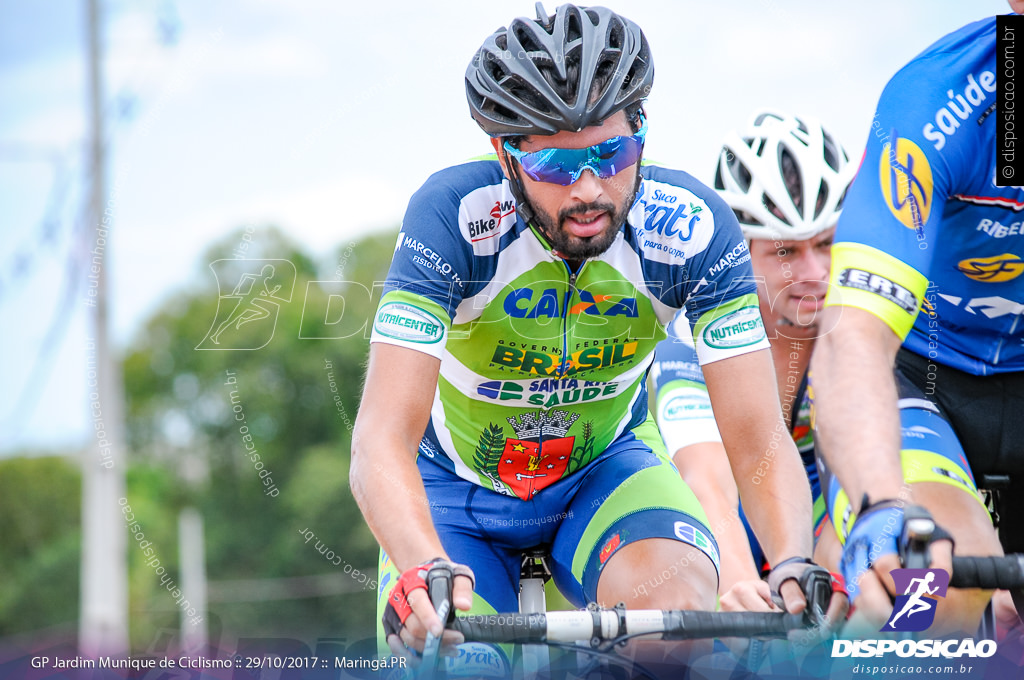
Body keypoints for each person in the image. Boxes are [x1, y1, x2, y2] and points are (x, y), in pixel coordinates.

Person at [350, 4, 837, 669]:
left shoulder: (692, 228)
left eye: (612, 154)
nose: (589, 190)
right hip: (451, 492)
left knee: (679, 632)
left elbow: (755, 435)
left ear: (642, 131)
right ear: (505, 154)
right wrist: (421, 566)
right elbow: (379, 440)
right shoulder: (453, 217)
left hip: (603, 473)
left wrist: (790, 564)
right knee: (453, 661)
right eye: (554, 164)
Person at [810, 3, 1024, 635]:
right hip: (929, 378)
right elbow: (853, 336)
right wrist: (883, 505)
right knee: (933, 590)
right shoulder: (937, 102)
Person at [651, 110, 855, 611]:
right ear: (740, 253)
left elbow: (862, 485)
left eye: (827, 244)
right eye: (786, 251)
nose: (815, 272)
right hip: (726, 519)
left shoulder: (858, 326)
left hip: (821, 519)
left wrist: (821, 579)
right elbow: (706, 480)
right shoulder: (687, 338)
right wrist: (741, 590)